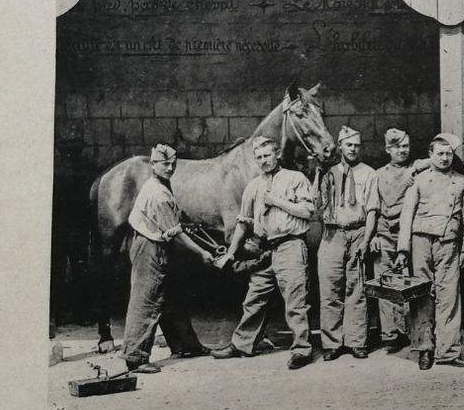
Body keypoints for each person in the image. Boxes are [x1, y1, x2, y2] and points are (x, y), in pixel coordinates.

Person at [211, 135, 318, 369]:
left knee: (295, 300)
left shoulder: (295, 178)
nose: (263, 161)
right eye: (259, 157)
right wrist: (230, 253)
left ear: (277, 154)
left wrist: (277, 201)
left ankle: (301, 349)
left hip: (290, 245)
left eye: (267, 155)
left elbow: (308, 211)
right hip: (265, 248)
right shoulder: (253, 186)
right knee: (255, 298)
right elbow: (243, 223)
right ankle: (242, 344)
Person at [120, 144, 216, 373]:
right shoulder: (158, 193)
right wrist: (202, 251)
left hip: (157, 244)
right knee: (146, 299)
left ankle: (185, 344)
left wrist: (186, 223)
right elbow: (176, 233)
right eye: (165, 164)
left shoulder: (161, 184)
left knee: (173, 295)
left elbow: (173, 220)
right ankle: (135, 357)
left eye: (173, 164)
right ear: (153, 164)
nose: (170, 168)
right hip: (149, 248)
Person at [394, 134, 464, 370]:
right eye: (439, 153)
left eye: (448, 153)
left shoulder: (461, 182)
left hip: (449, 244)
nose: (444, 158)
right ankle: (425, 349)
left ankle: (448, 351)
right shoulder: (419, 180)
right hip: (421, 242)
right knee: (421, 296)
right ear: (430, 155)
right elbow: (406, 216)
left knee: (449, 297)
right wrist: (403, 250)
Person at [317, 125, 380, 361]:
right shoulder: (327, 173)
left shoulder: (369, 174)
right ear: (340, 146)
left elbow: (372, 210)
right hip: (332, 234)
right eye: (349, 145)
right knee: (330, 287)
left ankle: (356, 341)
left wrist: (366, 239)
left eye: (357, 145)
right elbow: (318, 207)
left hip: (357, 231)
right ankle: (332, 343)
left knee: (357, 288)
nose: (353, 149)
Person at [368, 128, 415, 351]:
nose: (402, 151)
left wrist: (415, 168)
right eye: (397, 147)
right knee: (386, 283)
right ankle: (389, 335)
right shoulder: (377, 175)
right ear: (388, 149)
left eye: (405, 146)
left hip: (408, 236)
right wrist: (375, 234)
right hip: (384, 235)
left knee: (408, 282)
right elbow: (373, 208)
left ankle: (408, 331)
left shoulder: (416, 171)